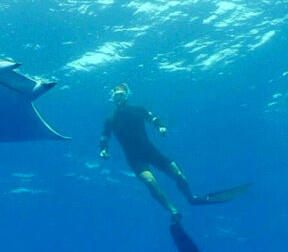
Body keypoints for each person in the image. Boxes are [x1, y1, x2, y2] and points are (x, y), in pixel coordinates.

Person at [99, 83, 246, 224]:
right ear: (112, 98)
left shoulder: (139, 110)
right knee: (150, 182)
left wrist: (161, 127)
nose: (118, 98)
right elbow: (105, 136)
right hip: (134, 159)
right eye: (116, 95)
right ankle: (173, 211)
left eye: (121, 95)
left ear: (126, 95)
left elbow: (153, 118)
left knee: (178, 174)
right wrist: (103, 150)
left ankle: (191, 198)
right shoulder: (110, 119)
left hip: (150, 151)